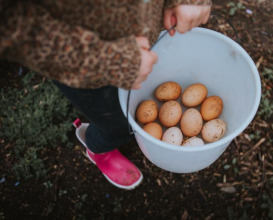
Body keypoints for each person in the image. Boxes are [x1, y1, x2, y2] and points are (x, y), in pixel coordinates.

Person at [0, 0, 212, 189]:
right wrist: (110, 61)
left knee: (134, 112)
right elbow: (12, 22)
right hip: (89, 70)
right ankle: (97, 147)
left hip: (148, 38)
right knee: (118, 123)